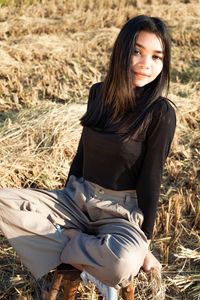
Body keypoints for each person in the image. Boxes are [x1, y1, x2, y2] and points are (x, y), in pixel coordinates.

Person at [0, 15, 176, 299]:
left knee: (121, 265)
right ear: (121, 52)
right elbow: (82, 155)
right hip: (77, 199)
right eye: (137, 51)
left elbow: (151, 178)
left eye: (157, 56)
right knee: (4, 202)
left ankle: (69, 244)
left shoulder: (161, 113)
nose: (147, 63)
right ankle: (86, 251)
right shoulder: (99, 94)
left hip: (120, 214)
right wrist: (65, 196)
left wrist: (146, 243)